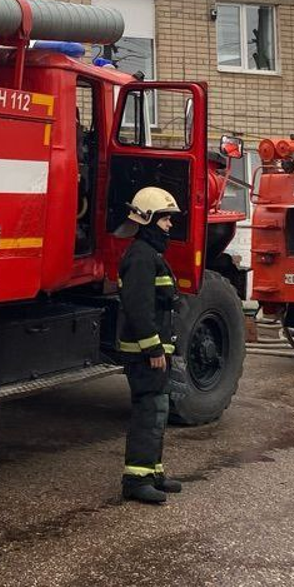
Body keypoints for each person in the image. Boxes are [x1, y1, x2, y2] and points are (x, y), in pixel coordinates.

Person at [114, 186, 183, 505]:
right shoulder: (141, 256)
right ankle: (136, 480)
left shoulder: (150, 254)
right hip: (144, 354)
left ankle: (153, 472)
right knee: (148, 411)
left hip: (154, 351)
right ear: (149, 219)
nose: (170, 225)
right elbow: (138, 307)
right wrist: (153, 349)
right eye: (165, 219)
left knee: (158, 410)